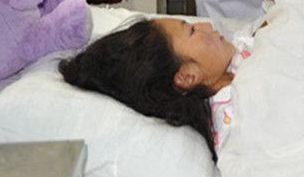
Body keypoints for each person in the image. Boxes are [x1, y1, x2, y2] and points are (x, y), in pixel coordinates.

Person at [60, 16, 248, 160]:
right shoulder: (235, 116)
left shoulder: (238, 51)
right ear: (188, 77)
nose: (207, 25)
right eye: (192, 31)